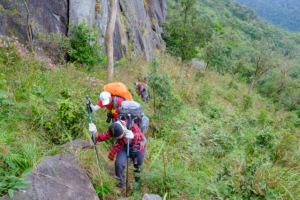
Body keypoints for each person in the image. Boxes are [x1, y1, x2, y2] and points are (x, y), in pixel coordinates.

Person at [88, 120, 147, 191]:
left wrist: (133, 135)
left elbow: (141, 136)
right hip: (123, 147)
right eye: (116, 138)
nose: (117, 139)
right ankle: (120, 185)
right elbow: (101, 138)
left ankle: (139, 184)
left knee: (138, 166)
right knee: (118, 164)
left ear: (122, 131)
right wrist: (94, 131)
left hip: (137, 148)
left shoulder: (131, 126)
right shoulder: (113, 129)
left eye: (119, 137)